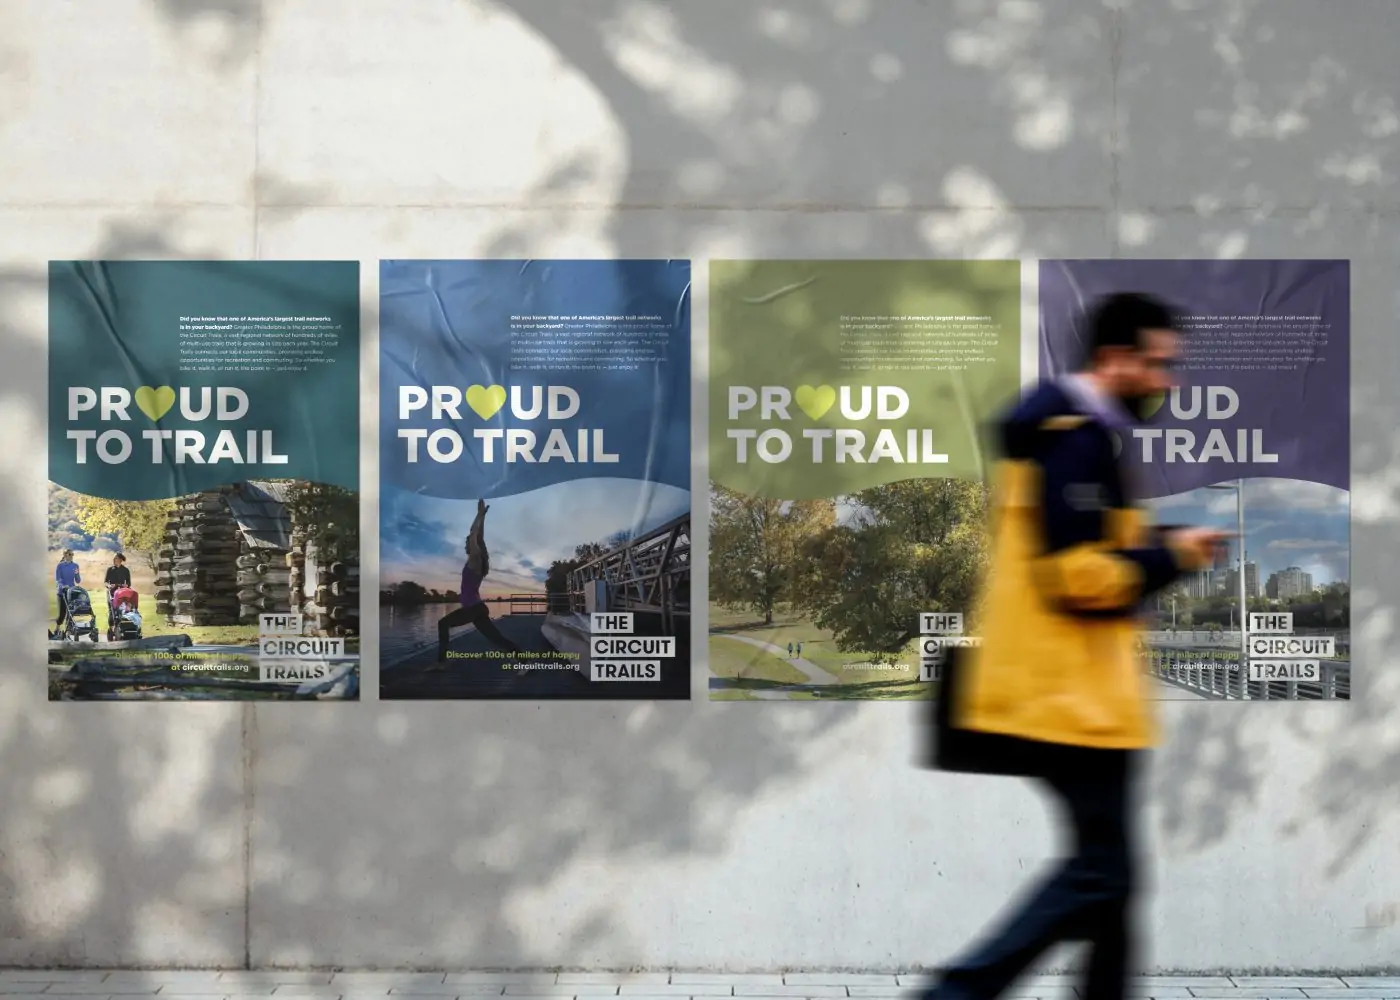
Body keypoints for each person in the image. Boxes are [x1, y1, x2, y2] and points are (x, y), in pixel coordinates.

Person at [924, 293, 1230, 1000]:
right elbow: (1079, 578)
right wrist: (1173, 559)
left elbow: (1089, 549)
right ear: (1114, 358)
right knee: (1100, 877)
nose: (1168, 382)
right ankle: (955, 994)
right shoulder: (1074, 437)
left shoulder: (1079, 435)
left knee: (1113, 889)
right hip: (1070, 698)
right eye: (1158, 364)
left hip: (1086, 694)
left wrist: (1163, 545)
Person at [433, 499, 523, 666]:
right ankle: (524, 661)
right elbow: (479, 536)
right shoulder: (476, 560)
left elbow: (474, 533)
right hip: (476, 609)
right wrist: (483, 518)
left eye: (468, 542)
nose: (466, 544)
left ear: (473, 547)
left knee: (442, 624)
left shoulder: (475, 559)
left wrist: (479, 515)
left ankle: (441, 663)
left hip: (473, 608)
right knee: (496, 638)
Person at [54, 549, 81, 634]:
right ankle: (57, 628)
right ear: (65, 555)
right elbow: (58, 579)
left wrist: (77, 574)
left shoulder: (75, 565)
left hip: (71, 591)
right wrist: (62, 585)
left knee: (71, 611)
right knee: (62, 612)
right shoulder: (60, 566)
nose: (71, 556)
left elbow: (78, 581)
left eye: (72, 554)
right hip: (61, 592)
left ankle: (68, 629)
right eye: (69, 554)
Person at [105, 553, 132, 630]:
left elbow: (129, 583)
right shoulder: (110, 570)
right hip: (112, 592)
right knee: (112, 609)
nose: (114, 560)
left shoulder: (126, 570)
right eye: (114, 558)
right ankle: (111, 627)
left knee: (124, 608)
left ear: (120, 560)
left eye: (115, 558)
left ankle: (123, 623)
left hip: (122, 592)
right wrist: (109, 586)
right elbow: (106, 582)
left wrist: (126, 585)